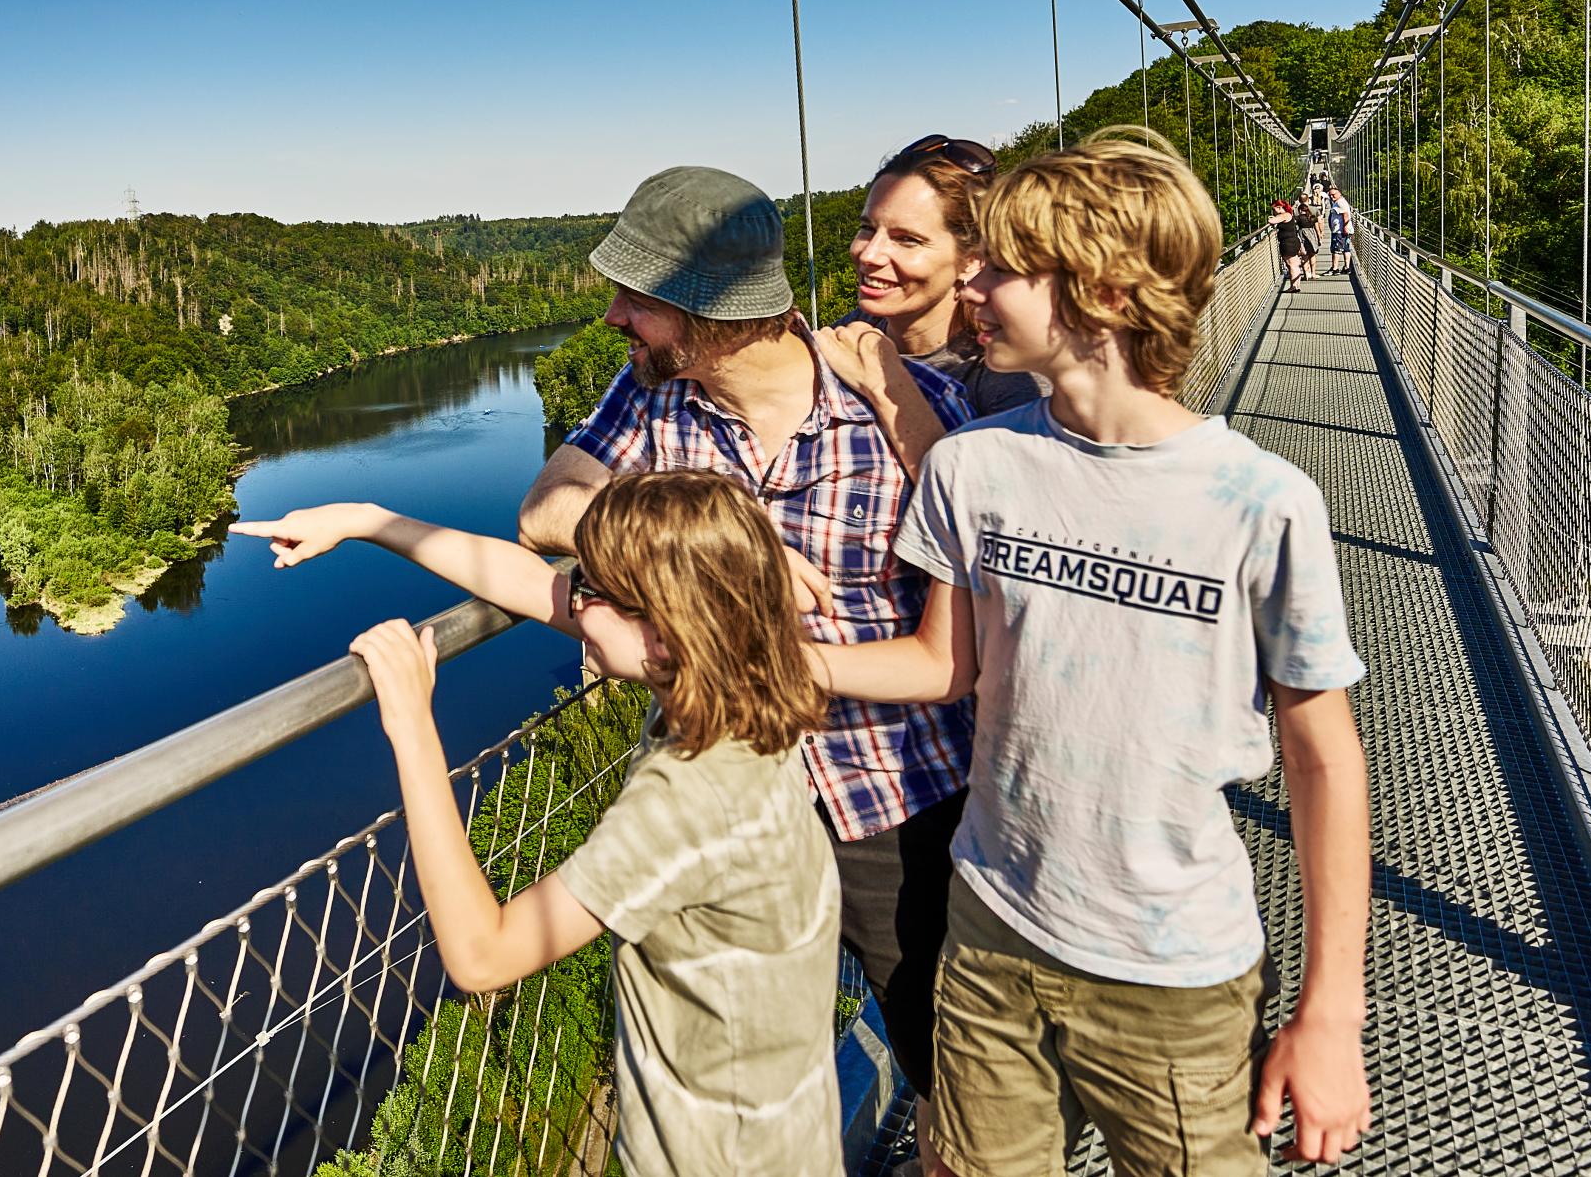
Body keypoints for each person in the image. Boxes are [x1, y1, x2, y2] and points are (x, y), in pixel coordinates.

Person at [811, 131, 1372, 1177]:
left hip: (1172, 969)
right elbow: (943, 666)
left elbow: (1324, 760)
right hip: (987, 930)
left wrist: (1329, 1010)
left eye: (1003, 267)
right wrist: (759, 659)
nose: (969, 282)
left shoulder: (1260, 502)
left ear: (1106, 292)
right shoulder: (973, 468)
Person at [517, 164, 970, 1165]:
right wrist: (731, 546)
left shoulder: (909, 409)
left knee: (951, 1081)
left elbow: (986, 582)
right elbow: (545, 508)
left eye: (635, 297)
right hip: (723, 792)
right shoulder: (649, 400)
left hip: (891, 802)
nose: (611, 317)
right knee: (733, 1089)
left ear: (711, 314)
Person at [232, 472, 843, 1177]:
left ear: (668, 631)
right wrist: (368, 519)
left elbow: (481, 957)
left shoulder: (691, 797)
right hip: (787, 1129)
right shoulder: (748, 687)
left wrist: (411, 727)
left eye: (590, 591)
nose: (573, 603)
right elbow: (524, 579)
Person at [840, 134, 1042, 418]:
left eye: (907, 239)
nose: (869, 255)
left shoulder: (1007, 379)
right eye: (868, 228)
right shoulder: (854, 330)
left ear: (972, 261)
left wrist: (885, 387)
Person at [1273, 197, 1310, 292]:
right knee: (1295, 265)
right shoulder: (1289, 214)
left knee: (1292, 265)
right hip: (1293, 242)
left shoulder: (1285, 215)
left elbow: (1271, 221)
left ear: (1280, 207)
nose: (1274, 212)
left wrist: (1272, 218)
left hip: (1288, 243)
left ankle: (1294, 287)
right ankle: (1296, 286)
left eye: (1274, 209)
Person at [1324, 187, 1355, 277]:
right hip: (1342, 230)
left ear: (1339, 193)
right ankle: (1347, 267)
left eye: (1334, 194)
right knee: (1346, 248)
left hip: (1340, 231)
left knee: (1336, 250)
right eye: (1330, 195)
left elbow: (1345, 215)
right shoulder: (1339, 202)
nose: (1332, 196)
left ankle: (1335, 269)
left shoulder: (1340, 203)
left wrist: (1344, 227)